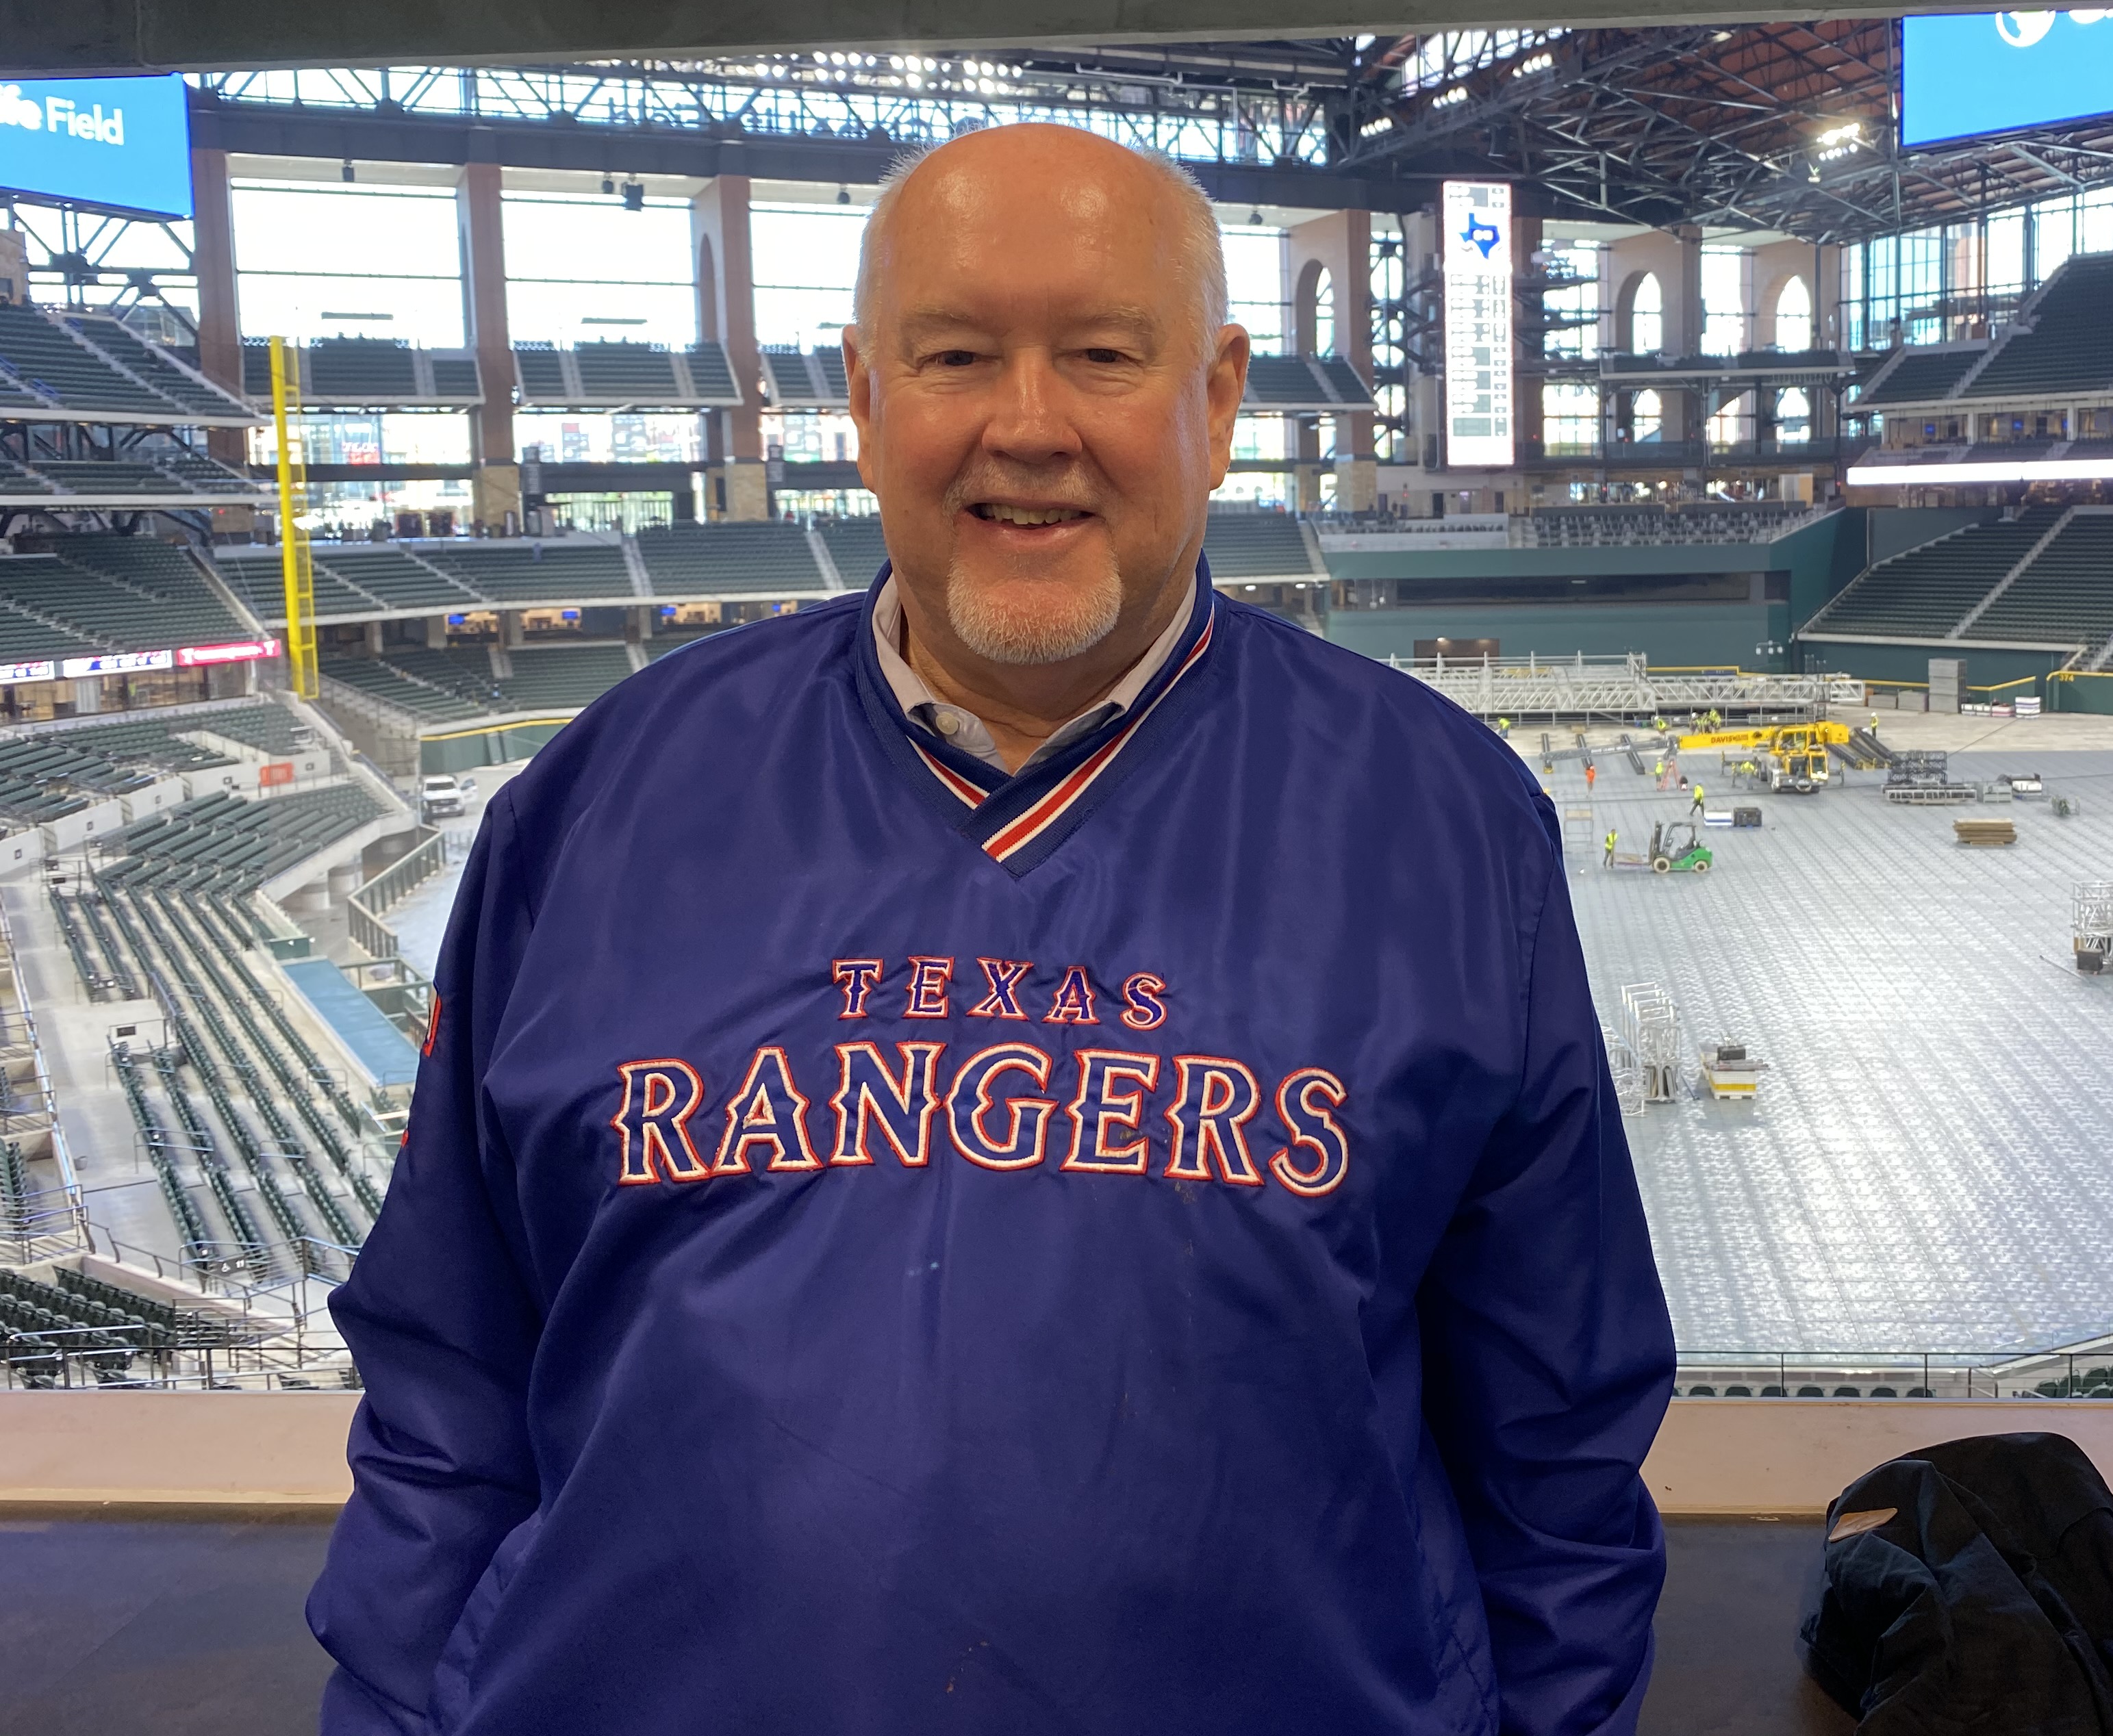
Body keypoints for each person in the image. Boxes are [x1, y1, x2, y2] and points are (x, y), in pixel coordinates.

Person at [307, 125, 1673, 1735]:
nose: (1028, 430)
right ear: (866, 401)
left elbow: (1557, 1442)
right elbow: (446, 1387)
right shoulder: (597, 803)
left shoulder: (1445, 819)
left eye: (1103, 355)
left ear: (1218, 399)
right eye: (957, 355)